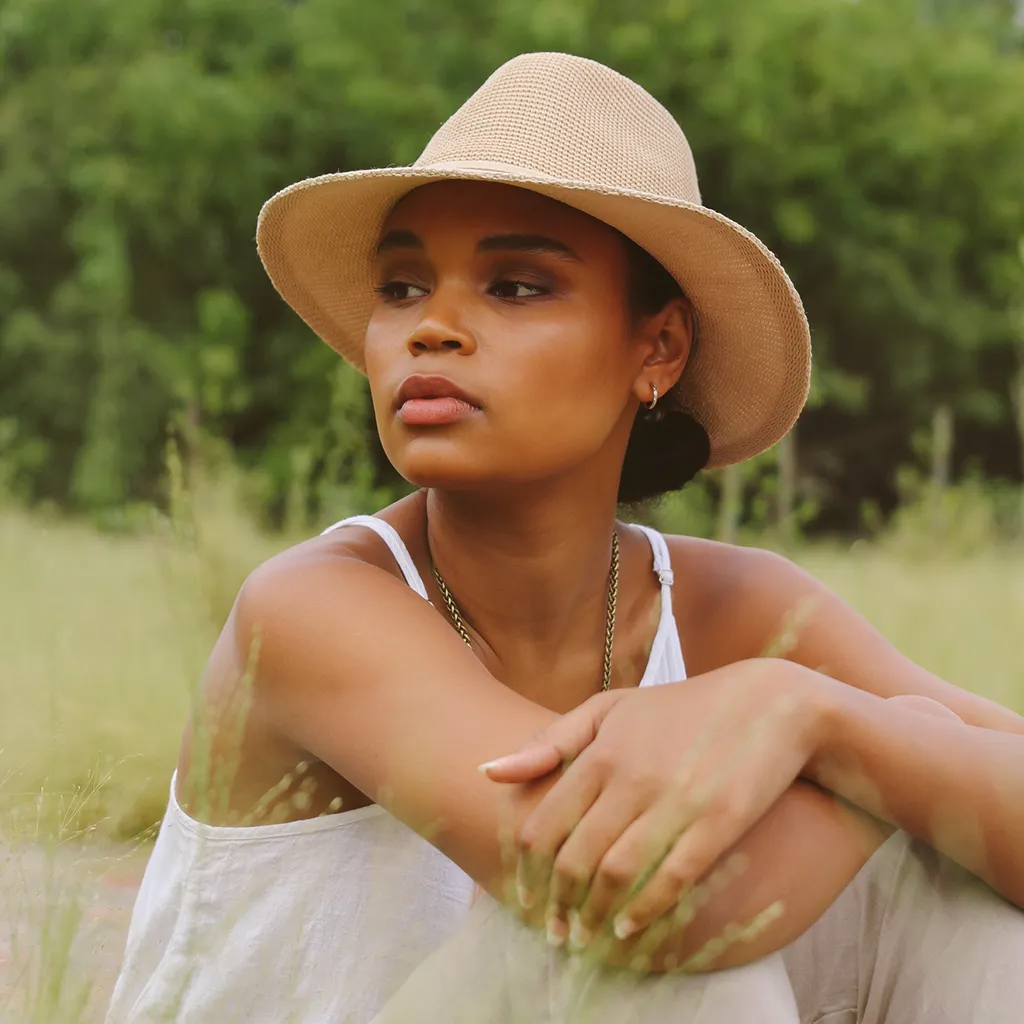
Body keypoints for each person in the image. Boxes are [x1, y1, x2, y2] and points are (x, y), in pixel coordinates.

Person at [106, 52, 1024, 1024]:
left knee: (974, 908)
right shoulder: (311, 608)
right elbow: (641, 911)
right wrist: (892, 747)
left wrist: (815, 713)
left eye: (514, 287)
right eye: (403, 286)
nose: (434, 327)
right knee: (649, 955)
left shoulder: (731, 605)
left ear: (658, 348)